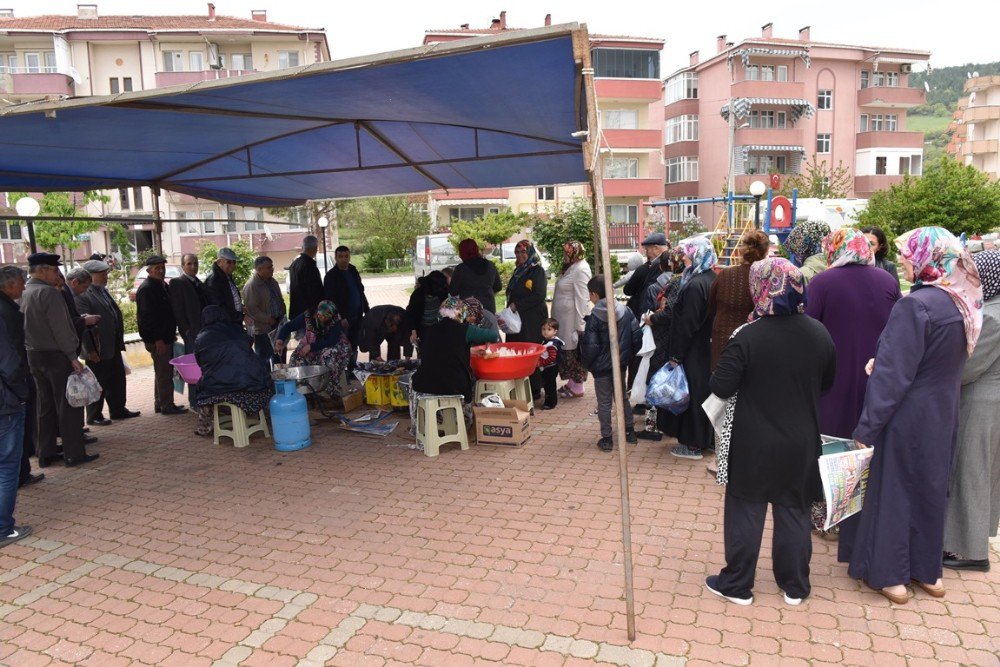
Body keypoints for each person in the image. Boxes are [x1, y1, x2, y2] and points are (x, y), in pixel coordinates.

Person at [839, 227, 984, 605]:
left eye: (908, 253)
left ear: (927, 260)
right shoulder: (960, 302)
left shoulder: (914, 306)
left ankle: (891, 575)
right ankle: (927, 571)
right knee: (931, 490)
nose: (902, 259)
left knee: (895, 491)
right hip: (943, 411)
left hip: (907, 414)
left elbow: (893, 377)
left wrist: (866, 427)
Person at [705, 257, 837, 606]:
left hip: (753, 441)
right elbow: (827, 382)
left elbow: (720, 385)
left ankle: (737, 584)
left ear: (759, 287)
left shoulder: (748, 335)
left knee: (746, 510)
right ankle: (794, 586)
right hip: (801, 440)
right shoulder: (818, 332)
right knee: (794, 509)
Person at [806, 228, 901, 438]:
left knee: (833, 441)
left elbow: (807, 328)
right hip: (877, 371)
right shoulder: (887, 280)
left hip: (834, 377)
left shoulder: (822, 282)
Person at [943, 250, 1000, 572]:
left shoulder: (992, 316)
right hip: (989, 403)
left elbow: (969, 368)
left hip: (981, 404)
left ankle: (969, 550)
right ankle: (972, 543)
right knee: (983, 474)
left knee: (971, 473)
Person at [21, 253, 98, 467]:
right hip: (56, 355)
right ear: (42, 270)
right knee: (68, 405)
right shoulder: (48, 293)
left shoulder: (25, 291)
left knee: (45, 405)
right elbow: (61, 329)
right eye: (55, 270)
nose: (58, 275)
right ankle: (74, 452)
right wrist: (72, 356)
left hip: (34, 354)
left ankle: (46, 451)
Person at [667, 236, 718, 460]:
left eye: (687, 253)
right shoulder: (709, 278)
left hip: (694, 349)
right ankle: (705, 440)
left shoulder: (696, 284)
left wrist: (676, 354)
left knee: (694, 394)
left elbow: (687, 324)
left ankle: (694, 444)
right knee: (702, 393)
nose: (683, 257)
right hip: (705, 347)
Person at [75, 259, 141, 425]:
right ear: (90, 276)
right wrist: (89, 349)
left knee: (117, 379)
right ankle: (94, 415)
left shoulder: (102, 291)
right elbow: (82, 325)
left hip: (112, 345)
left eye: (106, 273)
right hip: (96, 348)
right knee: (97, 382)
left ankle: (118, 409)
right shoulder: (84, 294)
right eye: (102, 274)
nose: (106, 276)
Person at [192, 306, 273, 437]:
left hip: (221, 389)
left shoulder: (201, 338)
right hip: (255, 386)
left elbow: (201, 364)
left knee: (201, 387)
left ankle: (205, 428)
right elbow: (248, 344)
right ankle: (268, 418)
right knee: (264, 380)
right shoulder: (237, 330)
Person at [580, 275, 641, 451]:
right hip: (620, 365)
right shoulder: (626, 311)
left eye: (589, 295)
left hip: (601, 369)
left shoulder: (593, 318)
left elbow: (590, 347)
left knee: (604, 402)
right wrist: (627, 356)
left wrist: (586, 364)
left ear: (595, 295)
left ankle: (607, 438)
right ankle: (629, 431)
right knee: (622, 397)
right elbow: (637, 337)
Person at [0, 267, 42, 488]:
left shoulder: (7, 307)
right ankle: (20, 475)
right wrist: (21, 389)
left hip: (10, 386)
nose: (24, 287)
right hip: (9, 391)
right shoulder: (5, 312)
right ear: (8, 285)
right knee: (10, 454)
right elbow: (10, 357)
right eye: (20, 282)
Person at [708, 230, 770, 370]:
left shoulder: (725, 274)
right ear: (765, 252)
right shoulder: (765, 279)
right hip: (753, 343)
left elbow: (711, 307)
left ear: (742, 250)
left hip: (723, 341)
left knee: (721, 384)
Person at [136, 255, 187, 415]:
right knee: (164, 373)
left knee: (162, 371)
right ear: (149, 270)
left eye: (162, 267)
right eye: (157, 268)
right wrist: (157, 339)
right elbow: (146, 318)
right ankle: (167, 405)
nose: (161, 270)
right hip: (158, 339)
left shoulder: (161, 285)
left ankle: (161, 402)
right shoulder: (147, 289)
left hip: (165, 337)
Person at [0, 315, 31, 548]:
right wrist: (22, 395)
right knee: (7, 467)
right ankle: (3, 529)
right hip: (5, 406)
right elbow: (9, 365)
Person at [411, 296, 477, 405]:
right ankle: (459, 416)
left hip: (424, 384)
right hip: (455, 386)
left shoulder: (428, 331)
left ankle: (427, 417)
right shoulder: (463, 330)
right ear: (461, 312)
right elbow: (492, 335)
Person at [504, 240, 548, 400]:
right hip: (517, 320)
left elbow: (539, 295)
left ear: (530, 253)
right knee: (517, 350)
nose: (520, 255)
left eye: (523, 252)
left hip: (532, 319)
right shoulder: (519, 271)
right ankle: (520, 384)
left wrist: (518, 305)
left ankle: (535, 388)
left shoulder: (537, 271)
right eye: (517, 252)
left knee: (529, 350)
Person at [275, 300, 351, 389]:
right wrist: (279, 341)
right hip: (311, 342)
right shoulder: (307, 316)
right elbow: (288, 326)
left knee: (328, 357)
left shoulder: (335, 320)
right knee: (296, 358)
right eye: (319, 314)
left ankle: (330, 389)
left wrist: (310, 347)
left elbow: (331, 341)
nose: (321, 318)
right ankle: (302, 389)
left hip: (333, 346)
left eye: (326, 316)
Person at [550, 241, 592, 399]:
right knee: (566, 351)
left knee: (573, 352)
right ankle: (572, 383)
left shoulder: (581, 269)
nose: (564, 255)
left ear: (574, 252)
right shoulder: (571, 267)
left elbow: (583, 298)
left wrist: (581, 325)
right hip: (564, 319)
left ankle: (578, 386)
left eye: (566, 252)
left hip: (572, 320)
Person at [170, 253, 210, 404]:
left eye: (195, 263)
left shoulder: (199, 282)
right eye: (189, 264)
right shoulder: (177, 283)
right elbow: (178, 310)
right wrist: (186, 331)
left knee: (204, 366)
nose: (193, 266)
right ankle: (194, 401)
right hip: (192, 333)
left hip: (205, 333)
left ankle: (203, 398)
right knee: (193, 368)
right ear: (183, 266)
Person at [324, 246, 369, 372]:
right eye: (341, 257)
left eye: (346, 256)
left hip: (357, 314)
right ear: (336, 258)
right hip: (343, 318)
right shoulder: (331, 276)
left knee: (355, 342)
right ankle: (340, 370)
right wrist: (341, 317)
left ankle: (352, 367)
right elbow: (330, 300)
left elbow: (361, 291)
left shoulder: (353, 271)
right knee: (343, 344)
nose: (344, 259)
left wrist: (366, 309)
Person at [242, 256, 286, 363]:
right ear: (259, 269)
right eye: (269, 267)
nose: (272, 269)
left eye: (272, 266)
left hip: (278, 325)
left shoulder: (272, 281)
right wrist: (268, 319)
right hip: (263, 329)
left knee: (279, 356)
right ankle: (265, 379)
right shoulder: (252, 285)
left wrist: (283, 314)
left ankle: (280, 378)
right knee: (264, 359)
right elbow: (251, 309)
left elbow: (279, 300)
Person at [449, 238, 502, 313]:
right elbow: (498, 287)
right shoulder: (491, 265)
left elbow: (453, 291)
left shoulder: (461, 269)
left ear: (462, 252)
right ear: (476, 249)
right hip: (489, 308)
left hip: (469, 310)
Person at [406, 270, 450, 348]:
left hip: (438, 327)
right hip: (423, 329)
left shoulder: (442, 292)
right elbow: (411, 313)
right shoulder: (417, 295)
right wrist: (413, 331)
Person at [204, 247, 246, 326]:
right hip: (224, 325)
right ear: (219, 262)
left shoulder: (227, 276)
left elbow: (230, 299)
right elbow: (219, 307)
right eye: (229, 262)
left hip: (233, 322)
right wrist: (241, 316)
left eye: (234, 262)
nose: (233, 265)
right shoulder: (213, 281)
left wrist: (241, 307)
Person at [288, 235, 324, 321]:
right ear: (315, 248)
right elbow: (314, 291)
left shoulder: (295, 263)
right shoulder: (309, 265)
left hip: (296, 310)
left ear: (303, 247)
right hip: (308, 313)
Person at [538, 317, 563, 410]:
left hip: (550, 368)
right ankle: (550, 401)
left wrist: (541, 363)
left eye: (549, 329)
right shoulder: (546, 341)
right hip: (547, 367)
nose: (545, 332)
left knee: (549, 386)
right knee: (548, 385)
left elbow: (552, 358)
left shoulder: (552, 344)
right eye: (543, 329)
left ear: (555, 331)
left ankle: (550, 403)